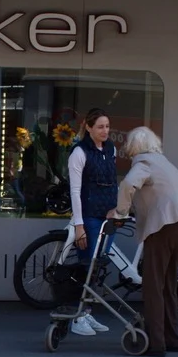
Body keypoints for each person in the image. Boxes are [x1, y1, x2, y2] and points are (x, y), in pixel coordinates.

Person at [107, 127, 178, 357]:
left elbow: (128, 185)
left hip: (164, 225)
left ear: (135, 146)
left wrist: (120, 212)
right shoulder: (165, 163)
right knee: (169, 284)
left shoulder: (144, 163)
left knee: (153, 284)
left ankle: (156, 343)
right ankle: (173, 338)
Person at [67, 108, 119, 336]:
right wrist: (79, 225)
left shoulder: (111, 149)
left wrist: (116, 209)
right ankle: (78, 317)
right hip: (89, 214)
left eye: (107, 126)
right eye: (100, 126)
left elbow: (113, 181)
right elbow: (75, 190)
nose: (105, 131)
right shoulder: (79, 152)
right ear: (88, 128)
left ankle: (87, 312)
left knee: (98, 266)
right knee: (87, 263)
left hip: (107, 214)